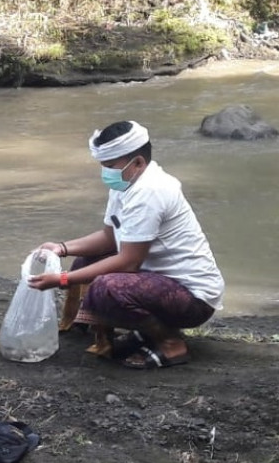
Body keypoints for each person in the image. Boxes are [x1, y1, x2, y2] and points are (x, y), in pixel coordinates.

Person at [28, 119, 224, 369]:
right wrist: (61, 248)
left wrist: (63, 279)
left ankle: (171, 343)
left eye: (110, 166)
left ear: (138, 162)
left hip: (193, 299)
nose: (105, 173)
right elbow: (109, 238)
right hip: (159, 283)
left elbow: (129, 262)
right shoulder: (126, 185)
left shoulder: (151, 191)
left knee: (107, 288)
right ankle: (144, 329)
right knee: (85, 263)